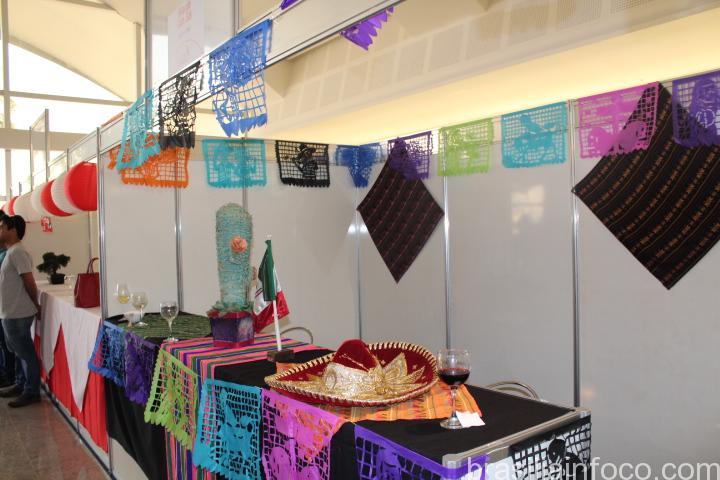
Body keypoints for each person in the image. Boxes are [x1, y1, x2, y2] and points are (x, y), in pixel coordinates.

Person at [0, 215, 42, 407]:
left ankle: (32, 391)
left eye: (2, 227)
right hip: (10, 312)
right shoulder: (11, 251)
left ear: (13, 230)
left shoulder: (18, 252)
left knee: (26, 353)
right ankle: (20, 383)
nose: (0, 230)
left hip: (18, 313)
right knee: (18, 351)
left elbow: (29, 282)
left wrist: (35, 304)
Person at [0, 211, 16, 388]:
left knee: (7, 344)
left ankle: (9, 376)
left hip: (7, 306)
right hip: (4, 306)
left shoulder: (9, 252)